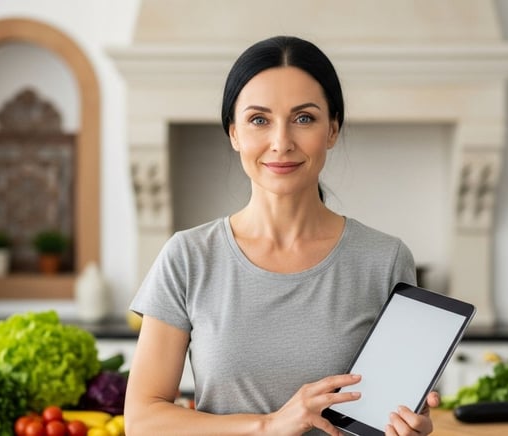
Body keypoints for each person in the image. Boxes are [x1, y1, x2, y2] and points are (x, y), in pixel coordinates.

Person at [125, 35, 439, 436]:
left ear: (332, 130)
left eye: (304, 118)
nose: (281, 142)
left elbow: (386, 414)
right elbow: (142, 420)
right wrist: (268, 426)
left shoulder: (385, 259)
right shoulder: (188, 257)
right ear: (234, 133)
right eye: (259, 120)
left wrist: (409, 425)